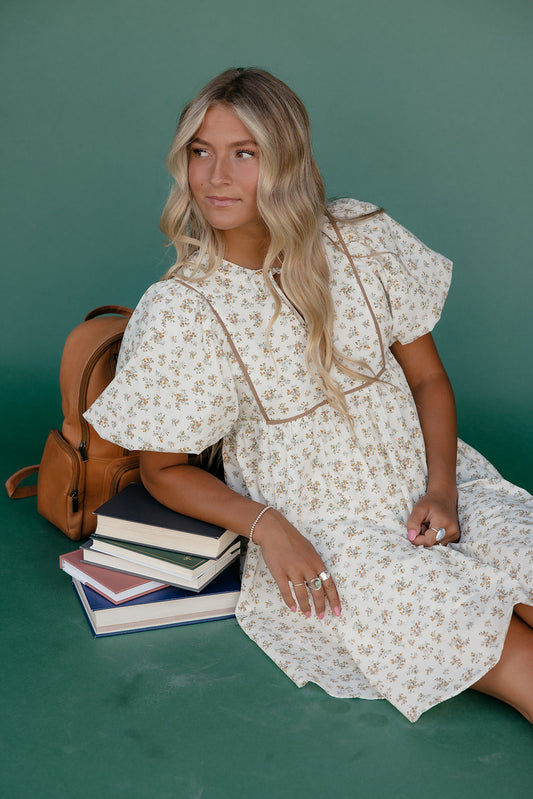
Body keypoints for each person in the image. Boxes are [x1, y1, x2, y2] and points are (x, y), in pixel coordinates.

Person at [85, 67, 533, 723]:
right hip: (334, 533)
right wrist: (270, 529)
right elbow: (163, 470)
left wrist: (440, 486)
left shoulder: (360, 235)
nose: (215, 177)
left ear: (286, 159)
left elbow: (428, 378)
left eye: (244, 153)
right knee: (503, 647)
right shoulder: (183, 306)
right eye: (200, 152)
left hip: (437, 480)